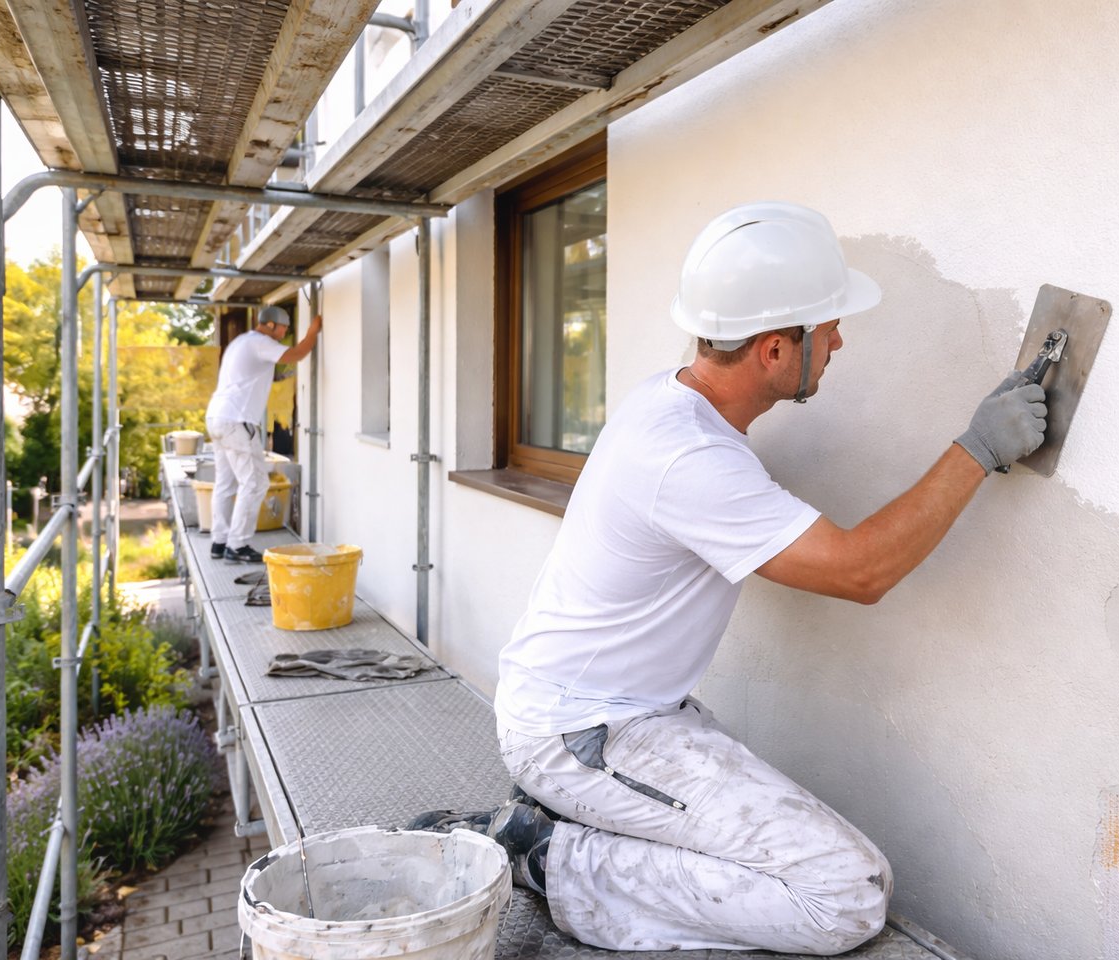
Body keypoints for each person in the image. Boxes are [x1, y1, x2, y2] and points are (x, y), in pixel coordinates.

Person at [409, 202, 1047, 954]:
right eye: (828, 327)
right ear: (776, 350)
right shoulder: (688, 457)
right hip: (579, 731)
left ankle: (559, 823)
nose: (841, 339)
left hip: (613, 713)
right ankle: (543, 855)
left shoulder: (673, 403)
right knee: (844, 893)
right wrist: (977, 449)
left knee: (748, 849)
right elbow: (861, 571)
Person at [204, 304, 321, 563]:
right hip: (236, 420)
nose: (284, 332)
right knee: (255, 482)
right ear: (270, 325)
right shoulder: (260, 342)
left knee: (226, 483)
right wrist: (313, 331)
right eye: (283, 328)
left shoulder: (242, 342)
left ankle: (219, 541)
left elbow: (268, 373)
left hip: (217, 417)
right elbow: (296, 353)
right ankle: (237, 545)